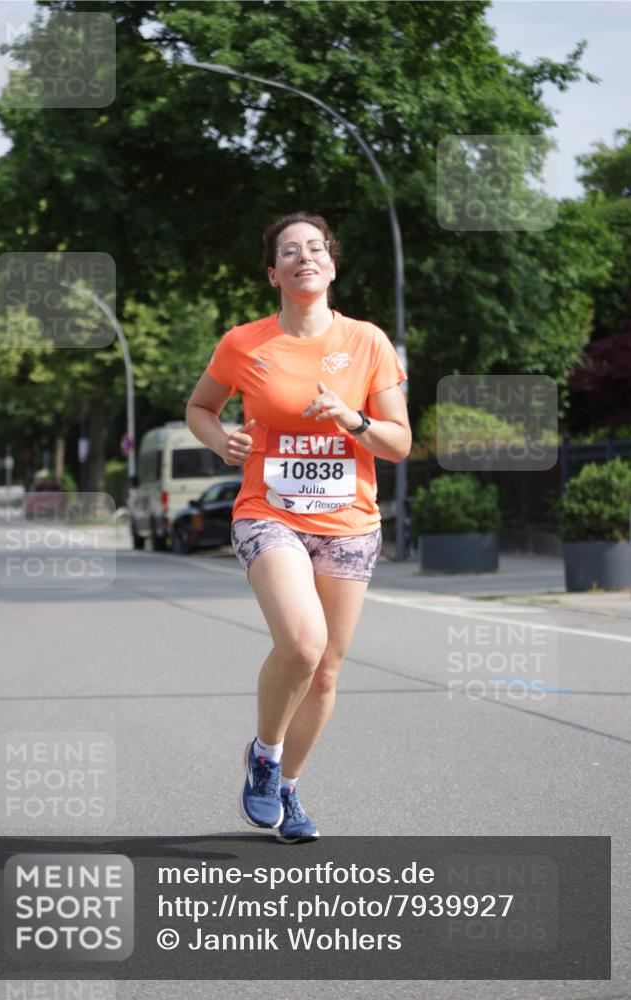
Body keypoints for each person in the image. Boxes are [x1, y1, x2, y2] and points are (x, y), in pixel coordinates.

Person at [186, 212, 411, 843]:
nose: (304, 257)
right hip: (270, 512)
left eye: (316, 248)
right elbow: (200, 406)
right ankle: (264, 754)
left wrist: (353, 419)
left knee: (326, 671)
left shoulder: (367, 341)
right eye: (290, 251)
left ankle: (287, 788)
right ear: (273, 273)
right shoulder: (244, 343)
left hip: (349, 523)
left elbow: (399, 443)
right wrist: (220, 440)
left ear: (332, 266)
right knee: (305, 644)